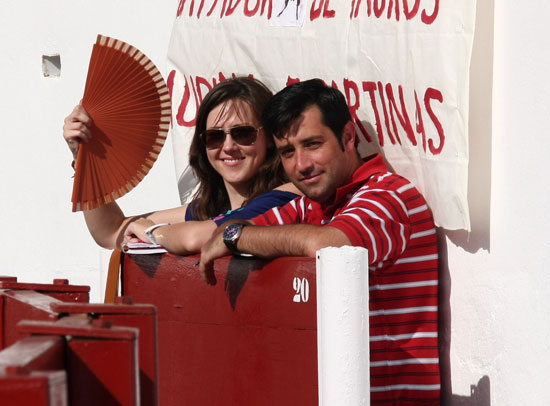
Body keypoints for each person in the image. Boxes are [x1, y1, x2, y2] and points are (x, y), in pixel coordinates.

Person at [199, 79, 440, 404]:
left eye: (312, 144)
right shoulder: (315, 204)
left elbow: (330, 245)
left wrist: (235, 236)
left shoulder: (388, 196)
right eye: (288, 152)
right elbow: (246, 229)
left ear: (348, 137)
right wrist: (235, 234)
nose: (301, 165)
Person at [63, 77, 300, 254]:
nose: (228, 146)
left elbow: (193, 238)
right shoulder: (208, 209)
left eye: (243, 133)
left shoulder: (287, 195)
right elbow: (111, 231)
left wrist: (151, 232)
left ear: (269, 138)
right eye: (214, 137)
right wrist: (83, 157)